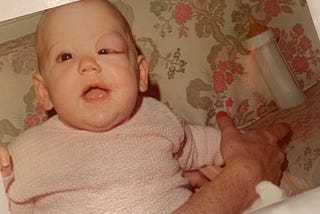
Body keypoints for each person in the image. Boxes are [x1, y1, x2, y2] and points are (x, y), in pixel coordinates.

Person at [0, 0, 290, 213]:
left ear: (140, 74)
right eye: (65, 57)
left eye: (105, 50)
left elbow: (206, 144)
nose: (88, 65)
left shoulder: (156, 116)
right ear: (44, 91)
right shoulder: (25, 153)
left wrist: (243, 143)